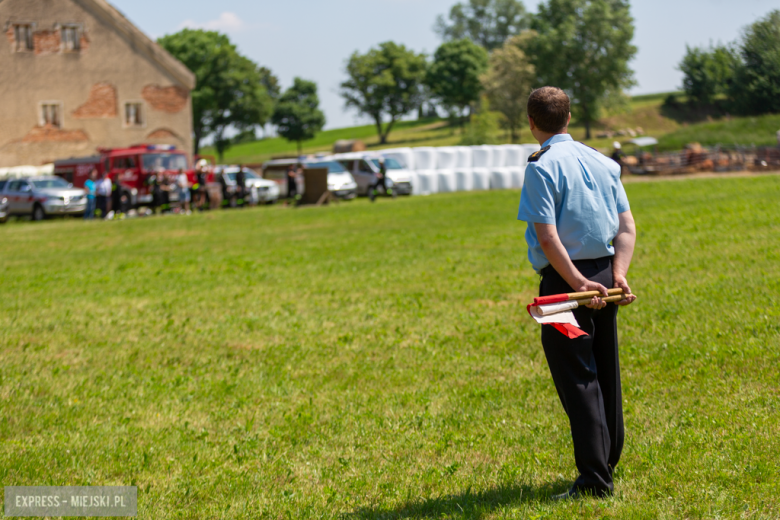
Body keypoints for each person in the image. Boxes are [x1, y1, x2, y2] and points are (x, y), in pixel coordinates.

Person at [516, 86, 637, 500]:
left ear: (532, 122)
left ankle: (593, 481)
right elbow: (626, 228)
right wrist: (617, 273)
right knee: (606, 370)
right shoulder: (604, 162)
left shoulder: (540, 166)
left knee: (578, 379)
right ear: (569, 117)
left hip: (564, 288)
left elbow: (548, 238)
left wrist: (577, 283)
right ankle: (607, 460)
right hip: (605, 274)